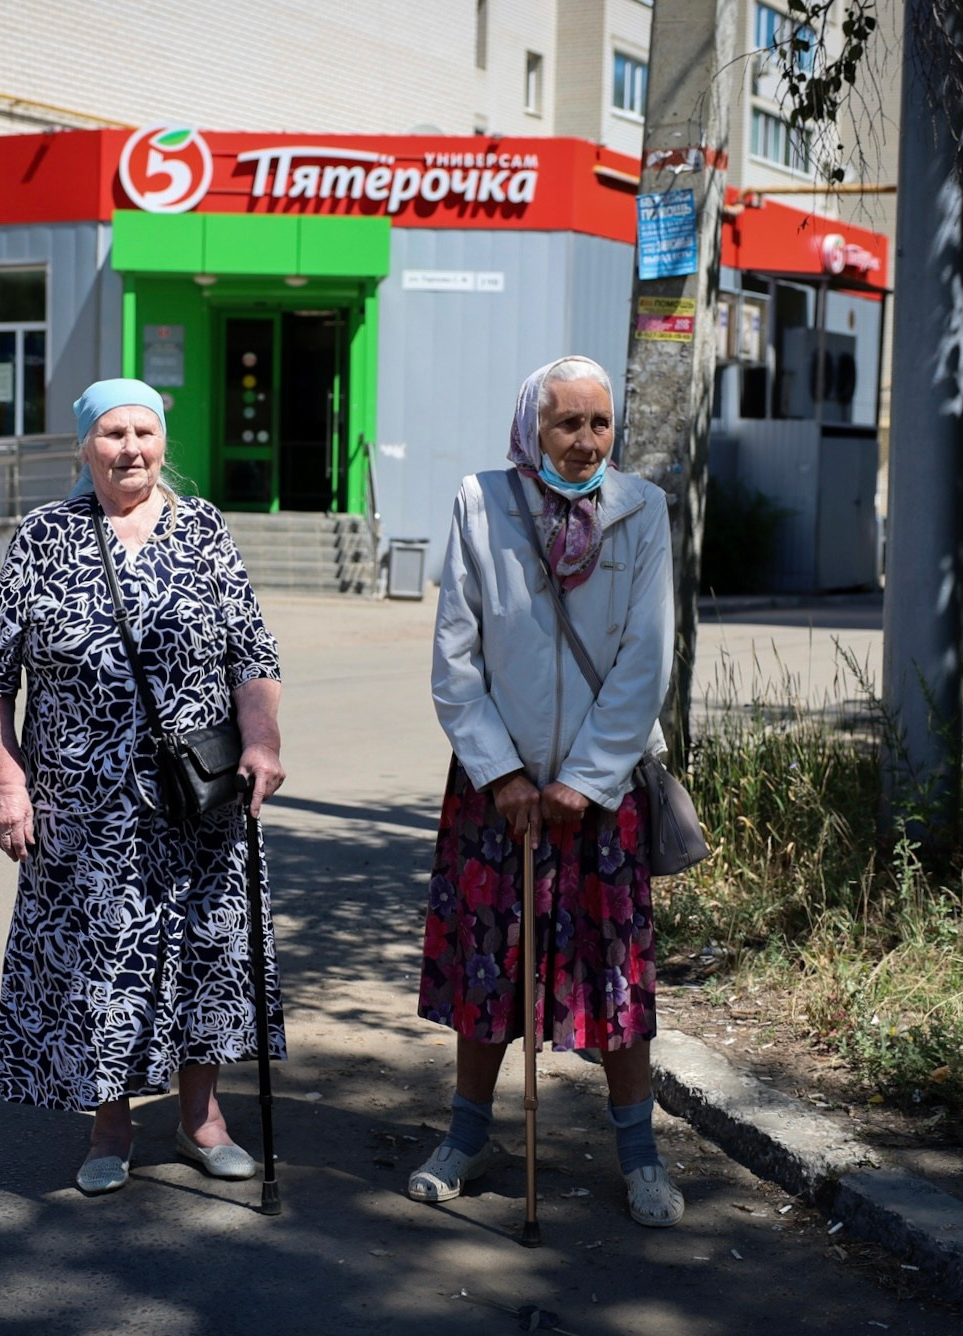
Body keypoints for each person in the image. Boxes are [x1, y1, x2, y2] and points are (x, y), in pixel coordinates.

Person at [0, 378, 288, 1194]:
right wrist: (7, 785)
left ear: (163, 442)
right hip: (82, 810)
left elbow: (252, 652)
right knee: (97, 966)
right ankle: (109, 1127)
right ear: (85, 446)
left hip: (198, 803)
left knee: (204, 953)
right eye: (113, 433)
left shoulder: (204, 530)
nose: (131, 448)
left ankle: (201, 1120)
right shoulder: (44, 536)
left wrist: (263, 742)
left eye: (144, 432)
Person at [409, 355, 685, 1227]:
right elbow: (456, 656)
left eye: (600, 423)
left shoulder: (642, 509)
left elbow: (649, 657)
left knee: (617, 976)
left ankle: (640, 1155)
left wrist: (586, 780)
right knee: (486, 970)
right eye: (568, 423)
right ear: (534, 425)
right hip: (501, 791)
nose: (586, 440)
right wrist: (503, 773)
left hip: (600, 795)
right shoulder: (480, 501)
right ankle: (466, 1134)